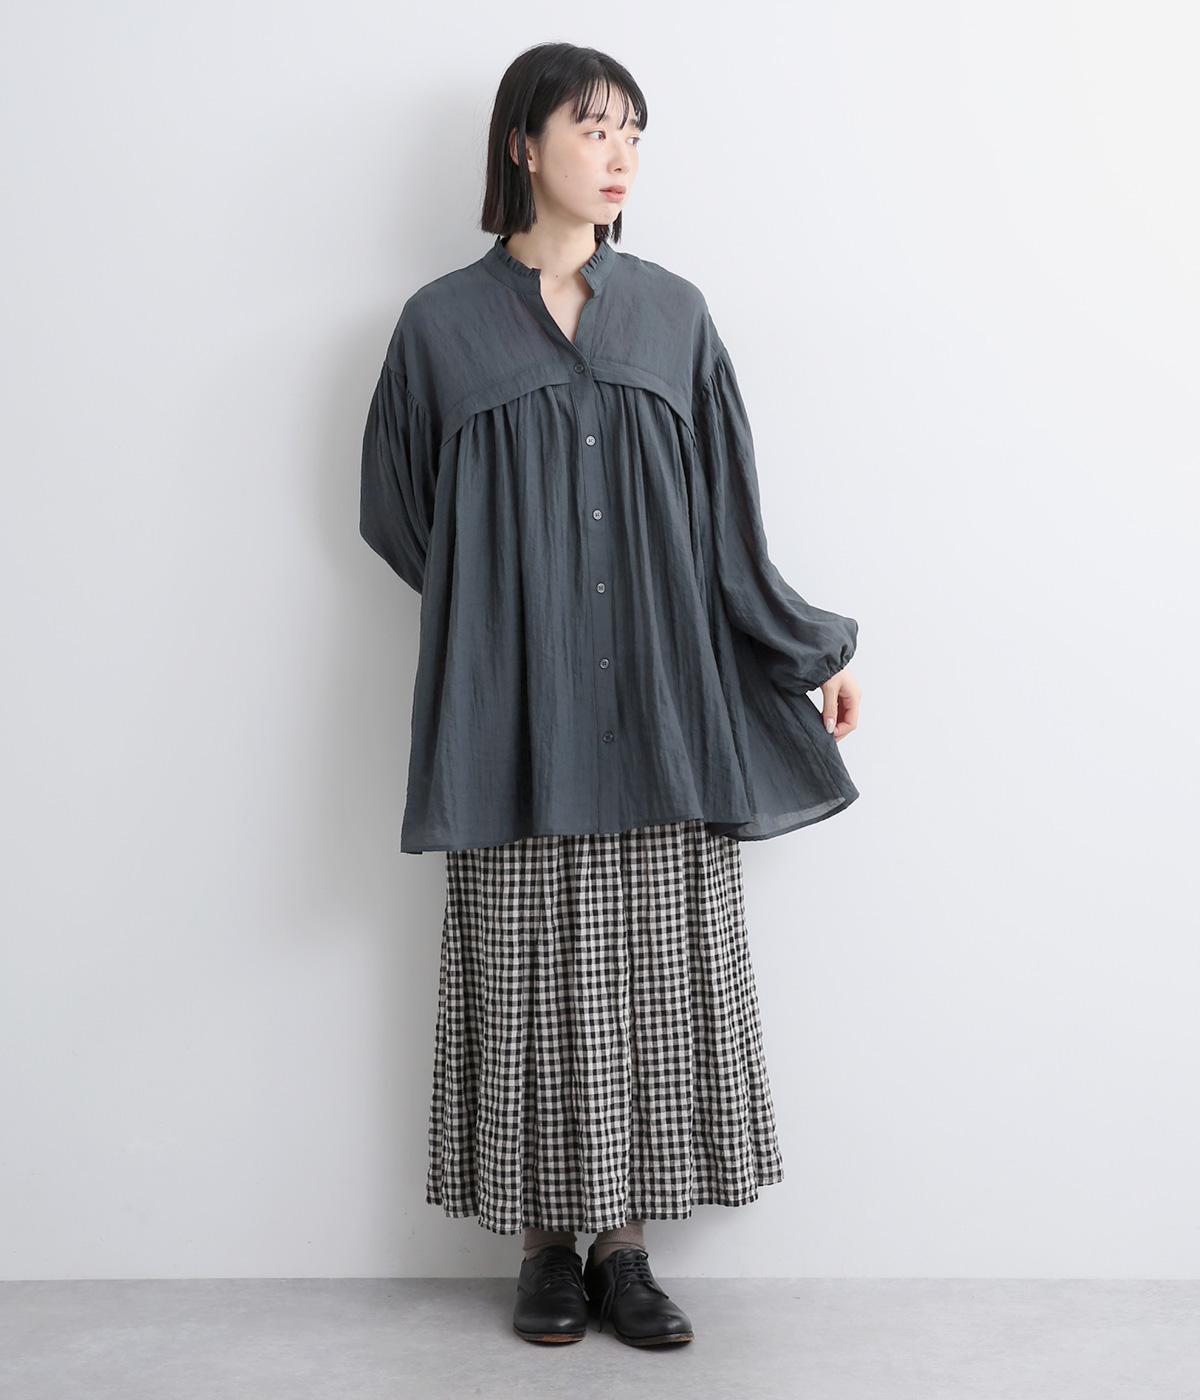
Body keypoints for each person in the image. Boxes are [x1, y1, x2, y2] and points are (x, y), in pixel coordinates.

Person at [359, 43, 862, 1349]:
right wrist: (503, 619)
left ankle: (626, 1248)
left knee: (647, 976)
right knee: (524, 972)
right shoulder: (439, 327)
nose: (621, 152)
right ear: (522, 145)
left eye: (633, 129)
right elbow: (400, 514)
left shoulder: (675, 316)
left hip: (660, 706)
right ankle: (542, 1250)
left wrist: (807, 652)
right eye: (592, 126)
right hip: (511, 723)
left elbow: (727, 526)